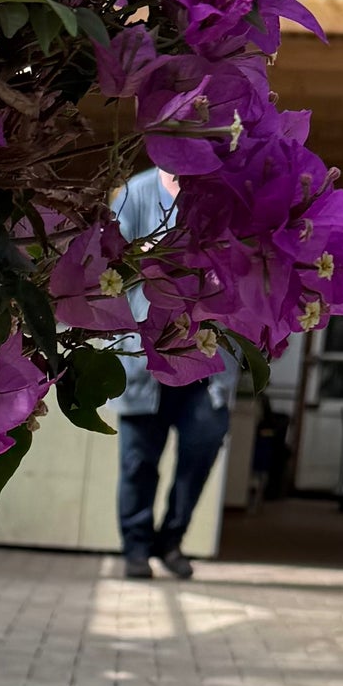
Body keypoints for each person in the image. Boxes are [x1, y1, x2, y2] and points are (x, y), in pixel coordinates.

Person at [112, 165, 237, 580]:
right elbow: (113, 260)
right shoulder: (136, 192)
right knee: (137, 462)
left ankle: (171, 541)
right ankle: (136, 548)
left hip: (205, 364)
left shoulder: (222, 193)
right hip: (146, 361)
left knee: (202, 449)